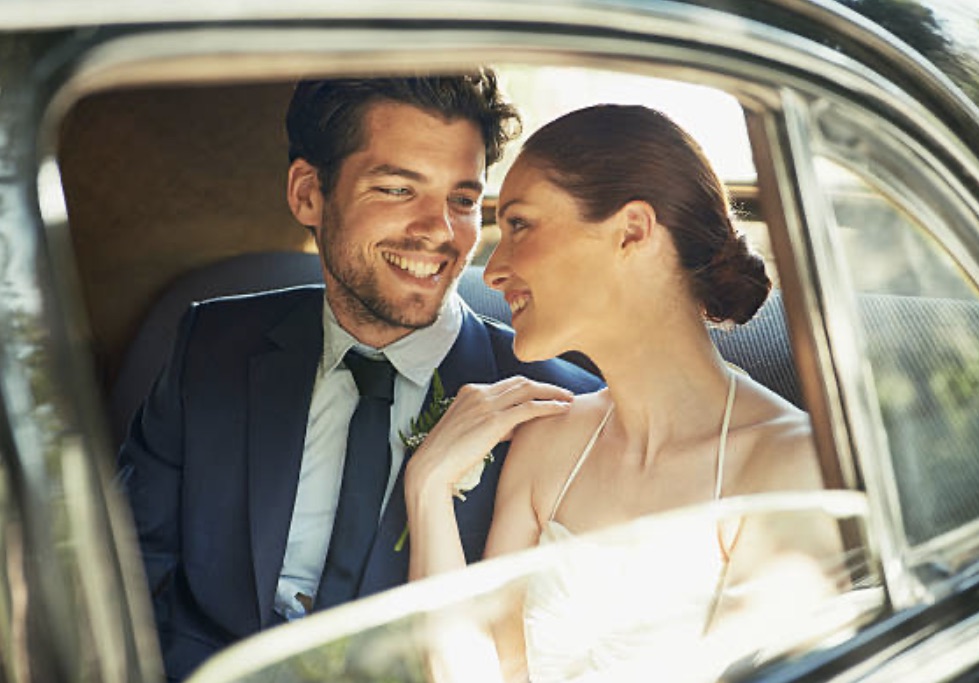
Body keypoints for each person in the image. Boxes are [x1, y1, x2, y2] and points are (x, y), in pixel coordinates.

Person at [117, 72, 602, 681]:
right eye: (399, 189)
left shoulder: (559, 406)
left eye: (462, 200)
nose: (439, 231)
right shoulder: (210, 347)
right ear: (308, 195)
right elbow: (122, 577)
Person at [404, 104, 840, 681]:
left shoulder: (787, 464)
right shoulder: (548, 442)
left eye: (520, 225)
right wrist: (428, 487)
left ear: (632, 230)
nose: (494, 269)